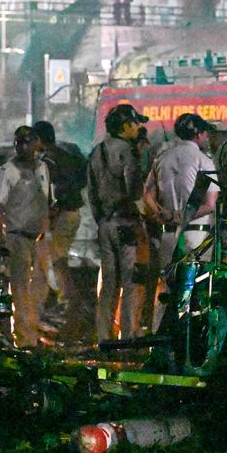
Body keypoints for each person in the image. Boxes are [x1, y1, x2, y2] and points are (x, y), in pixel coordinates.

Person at [145, 112, 220, 330]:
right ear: (200, 134)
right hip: (197, 236)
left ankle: (158, 344)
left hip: (168, 234)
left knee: (166, 290)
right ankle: (187, 341)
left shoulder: (163, 157)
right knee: (196, 290)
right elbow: (209, 204)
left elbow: (147, 192)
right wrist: (181, 216)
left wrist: (161, 212)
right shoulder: (204, 161)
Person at [89, 104, 147, 342]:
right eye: (135, 124)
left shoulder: (97, 152)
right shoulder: (127, 151)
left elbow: (91, 194)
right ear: (125, 126)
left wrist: (102, 220)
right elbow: (135, 191)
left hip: (104, 224)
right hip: (126, 223)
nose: (139, 128)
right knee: (131, 282)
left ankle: (104, 337)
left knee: (109, 285)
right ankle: (126, 337)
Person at [0, 125, 53, 347]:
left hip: (38, 237)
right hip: (16, 236)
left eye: (27, 141)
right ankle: (23, 339)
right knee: (20, 289)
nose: (23, 147)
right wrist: (2, 238)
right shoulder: (7, 171)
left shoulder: (43, 168)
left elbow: (46, 200)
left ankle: (31, 331)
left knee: (39, 288)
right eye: (19, 142)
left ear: (36, 141)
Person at [34, 120, 88, 325]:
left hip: (63, 214)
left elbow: (51, 191)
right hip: (71, 212)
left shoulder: (49, 161)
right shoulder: (68, 153)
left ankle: (66, 303)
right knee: (58, 259)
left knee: (53, 259)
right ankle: (67, 300)